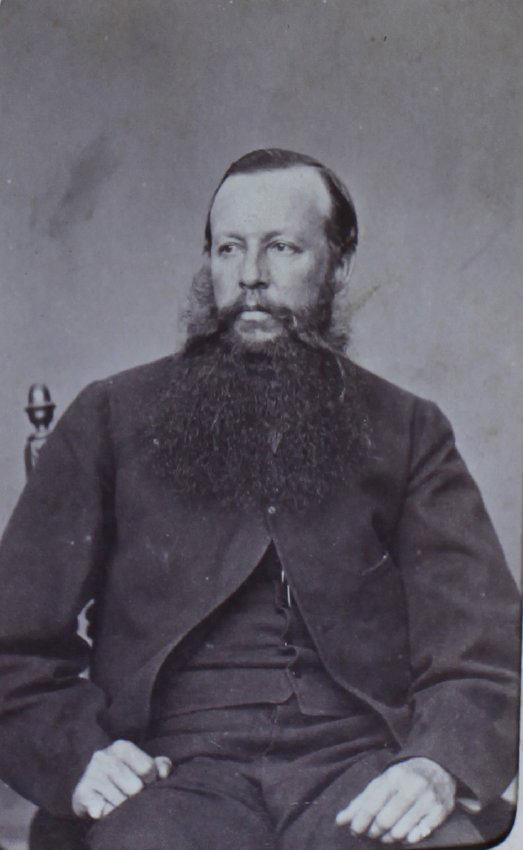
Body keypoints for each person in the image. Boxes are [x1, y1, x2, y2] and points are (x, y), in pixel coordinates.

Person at [0, 149, 519, 850]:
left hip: (357, 770)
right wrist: (77, 754)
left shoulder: (406, 429)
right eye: (228, 249)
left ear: (334, 264)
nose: (250, 277)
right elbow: (14, 644)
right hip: (170, 776)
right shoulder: (108, 418)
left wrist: (433, 764)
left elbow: (482, 643)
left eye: (281, 248)